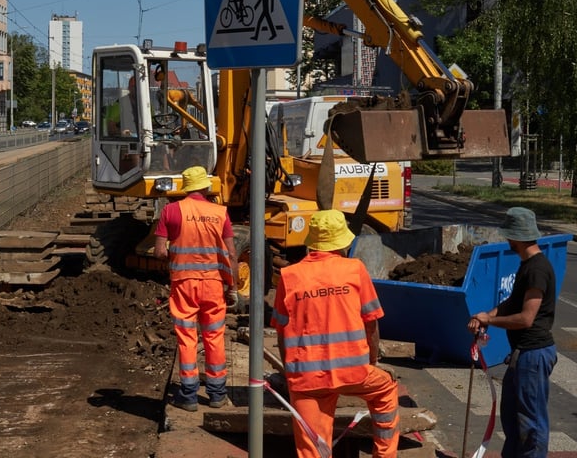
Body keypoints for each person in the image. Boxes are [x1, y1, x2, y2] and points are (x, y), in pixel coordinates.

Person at [270, 209, 399, 458]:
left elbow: (281, 331)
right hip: (353, 371)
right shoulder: (354, 269)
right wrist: (371, 361)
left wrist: (291, 374)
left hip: (306, 377)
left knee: (312, 448)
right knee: (385, 390)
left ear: (312, 242)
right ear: (341, 241)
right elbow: (371, 324)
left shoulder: (289, 275)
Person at [467, 207, 557, 458]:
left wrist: (491, 321)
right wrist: (487, 316)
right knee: (512, 418)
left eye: (508, 236)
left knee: (531, 424)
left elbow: (526, 318)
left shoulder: (537, 270)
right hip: (522, 354)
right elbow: (511, 303)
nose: (507, 241)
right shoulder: (527, 265)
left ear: (515, 237)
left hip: (534, 353)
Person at [154, 165, 239, 412]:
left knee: (187, 339)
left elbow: (159, 251)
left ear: (186, 188)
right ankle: (217, 394)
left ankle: (189, 395)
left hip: (183, 285)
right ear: (205, 187)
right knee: (214, 337)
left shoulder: (171, 211)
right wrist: (231, 287)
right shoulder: (220, 212)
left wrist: (172, 253)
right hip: (213, 284)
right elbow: (231, 253)